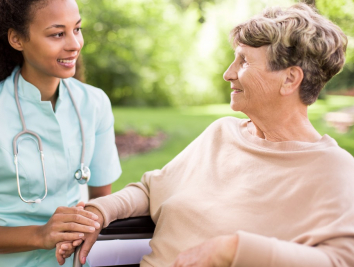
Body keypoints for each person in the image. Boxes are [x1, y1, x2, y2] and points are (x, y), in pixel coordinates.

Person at [58, 3, 354, 267]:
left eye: (245, 61)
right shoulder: (222, 133)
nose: (228, 73)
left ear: (289, 79)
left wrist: (235, 249)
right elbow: (152, 189)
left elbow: (340, 260)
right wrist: (98, 212)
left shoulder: (333, 169)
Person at [0, 0, 121, 266]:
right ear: (17, 39)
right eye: (57, 33)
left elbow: (104, 202)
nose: (75, 44)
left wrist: (92, 219)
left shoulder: (95, 104)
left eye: (77, 29)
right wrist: (40, 235)